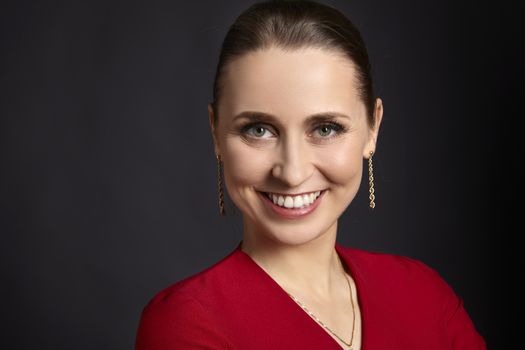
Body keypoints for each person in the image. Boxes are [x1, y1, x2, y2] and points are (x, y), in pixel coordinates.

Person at [134, 1, 486, 349]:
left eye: (326, 129)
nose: (292, 172)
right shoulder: (188, 321)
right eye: (259, 130)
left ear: (373, 128)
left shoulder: (423, 294)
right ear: (216, 133)